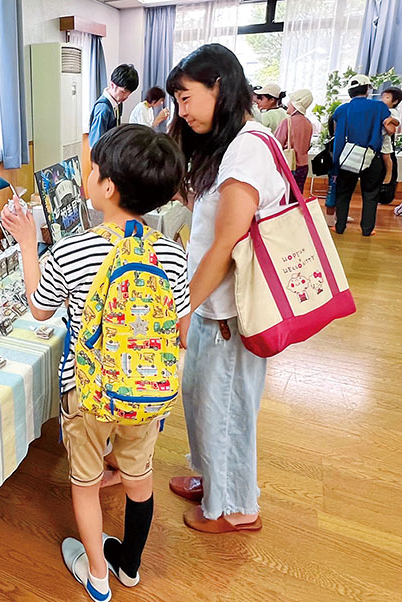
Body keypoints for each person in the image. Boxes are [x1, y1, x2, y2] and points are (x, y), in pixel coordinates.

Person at [1, 125, 189, 600]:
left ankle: (98, 577)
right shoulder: (173, 253)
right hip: (148, 393)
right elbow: (181, 329)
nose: (88, 174)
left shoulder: (71, 249)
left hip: (86, 393)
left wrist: (28, 243)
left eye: (94, 169)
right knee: (138, 477)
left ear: (106, 188)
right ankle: (130, 565)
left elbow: (41, 311)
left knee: (85, 484)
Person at [166, 43, 288, 533]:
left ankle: (236, 508)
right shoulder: (230, 145)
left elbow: (225, 245)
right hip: (212, 306)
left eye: (186, 96)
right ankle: (211, 476)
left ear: (219, 85)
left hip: (229, 310)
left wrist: (182, 306)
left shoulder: (249, 148)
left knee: (228, 404)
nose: (182, 109)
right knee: (201, 395)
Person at [332, 74, 394, 236]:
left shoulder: (341, 110)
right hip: (372, 156)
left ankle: (339, 227)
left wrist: (336, 164)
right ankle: (367, 230)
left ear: (350, 91)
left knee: (344, 193)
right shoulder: (379, 107)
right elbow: (390, 129)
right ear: (367, 89)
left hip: (348, 156)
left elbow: (337, 137)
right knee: (370, 194)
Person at [89, 64, 140, 148]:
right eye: (123, 92)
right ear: (112, 85)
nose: (126, 97)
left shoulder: (118, 103)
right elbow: (95, 145)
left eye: (129, 93)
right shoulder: (103, 108)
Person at [275, 89, 314, 192]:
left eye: (290, 101)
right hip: (303, 166)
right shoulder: (308, 123)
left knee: (285, 198)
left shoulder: (287, 122)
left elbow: (276, 144)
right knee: (297, 198)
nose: (287, 103)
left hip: (288, 165)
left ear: (295, 104)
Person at [380, 86, 401, 185]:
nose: (383, 99)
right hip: (378, 136)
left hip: (385, 138)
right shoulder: (380, 108)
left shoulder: (392, 111)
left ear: (395, 101)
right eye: (382, 97)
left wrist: (391, 120)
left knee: (386, 156)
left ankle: (389, 173)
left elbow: (397, 123)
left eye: (387, 98)